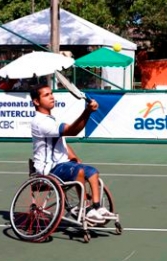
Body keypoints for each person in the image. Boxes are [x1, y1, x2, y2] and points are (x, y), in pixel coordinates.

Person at [30, 84, 109, 223]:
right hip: (48, 170)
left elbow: (63, 142)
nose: (52, 97)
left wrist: (75, 157)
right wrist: (87, 112)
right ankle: (86, 208)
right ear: (36, 101)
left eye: (51, 93)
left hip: (61, 165)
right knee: (78, 171)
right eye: (46, 95)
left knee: (92, 172)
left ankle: (97, 207)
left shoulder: (51, 119)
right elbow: (72, 131)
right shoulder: (40, 122)